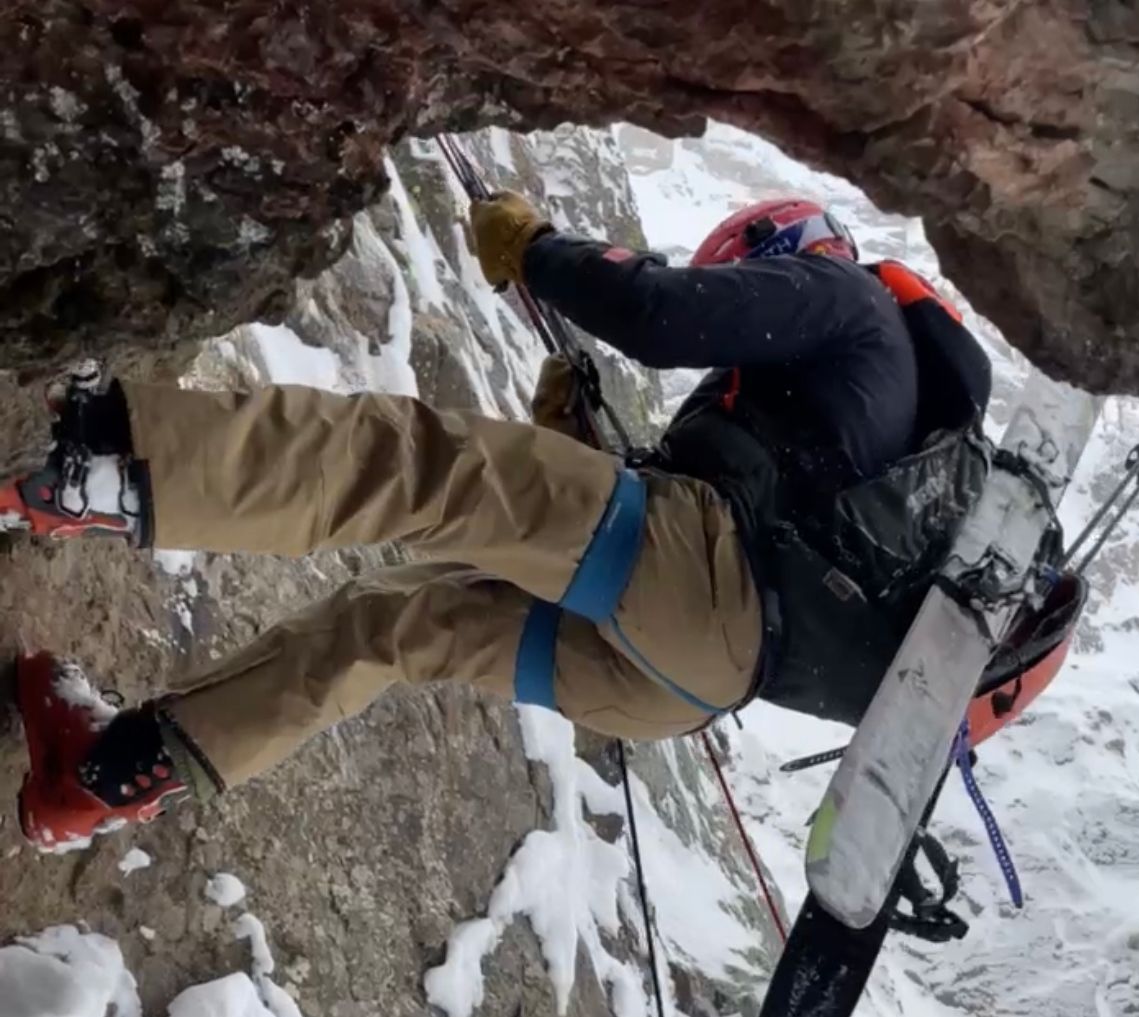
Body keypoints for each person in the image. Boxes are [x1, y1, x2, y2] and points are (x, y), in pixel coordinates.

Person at [7, 188, 988, 853]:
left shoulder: (845, 296)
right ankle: (99, 777)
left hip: (702, 580)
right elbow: (681, 538)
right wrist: (570, 431)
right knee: (383, 628)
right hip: (685, 688)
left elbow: (654, 313)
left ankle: (95, 464)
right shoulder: (874, 433)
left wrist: (539, 250)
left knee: (407, 466)